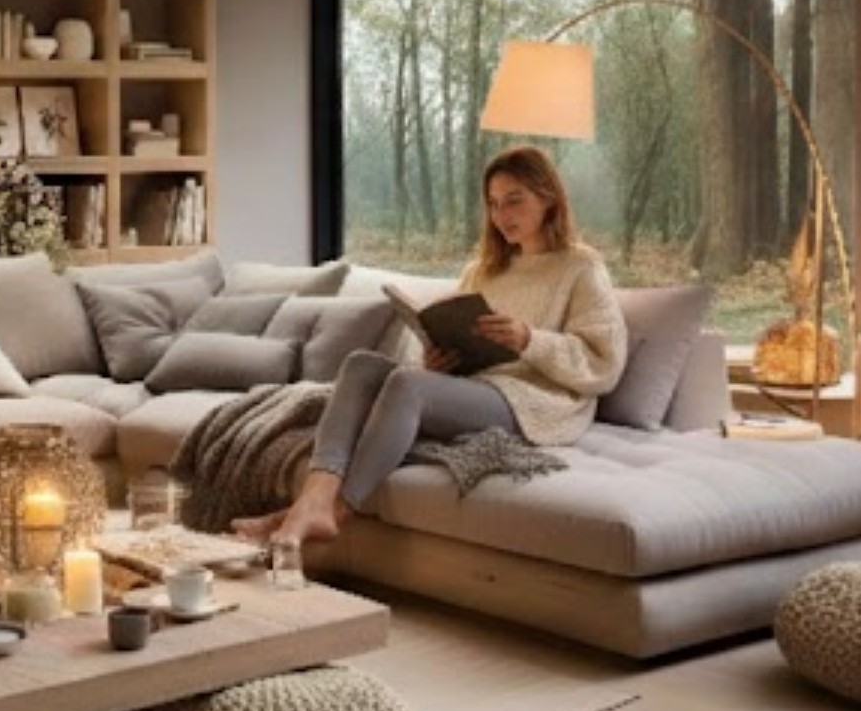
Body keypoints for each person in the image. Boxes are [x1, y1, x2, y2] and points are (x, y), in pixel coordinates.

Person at [233, 145, 628, 547]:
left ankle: (338, 510)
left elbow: (603, 363)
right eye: (493, 204)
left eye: (514, 201)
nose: (502, 215)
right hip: (480, 388)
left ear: (548, 198)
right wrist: (439, 360)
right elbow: (460, 349)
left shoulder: (581, 266)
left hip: (533, 403)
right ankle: (313, 500)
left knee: (408, 385)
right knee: (360, 365)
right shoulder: (485, 269)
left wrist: (530, 339)